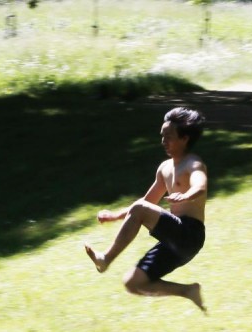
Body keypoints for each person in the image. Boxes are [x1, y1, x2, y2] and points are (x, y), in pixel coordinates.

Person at [84, 107, 208, 312]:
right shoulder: (165, 168)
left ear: (184, 138)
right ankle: (188, 291)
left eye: (169, 136)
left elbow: (200, 186)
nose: (163, 141)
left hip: (189, 234)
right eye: (162, 136)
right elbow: (146, 201)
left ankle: (106, 258)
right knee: (133, 282)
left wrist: (186, 195)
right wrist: (116, 216)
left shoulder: (193, 163)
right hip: (173, 242)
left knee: (141, 209)